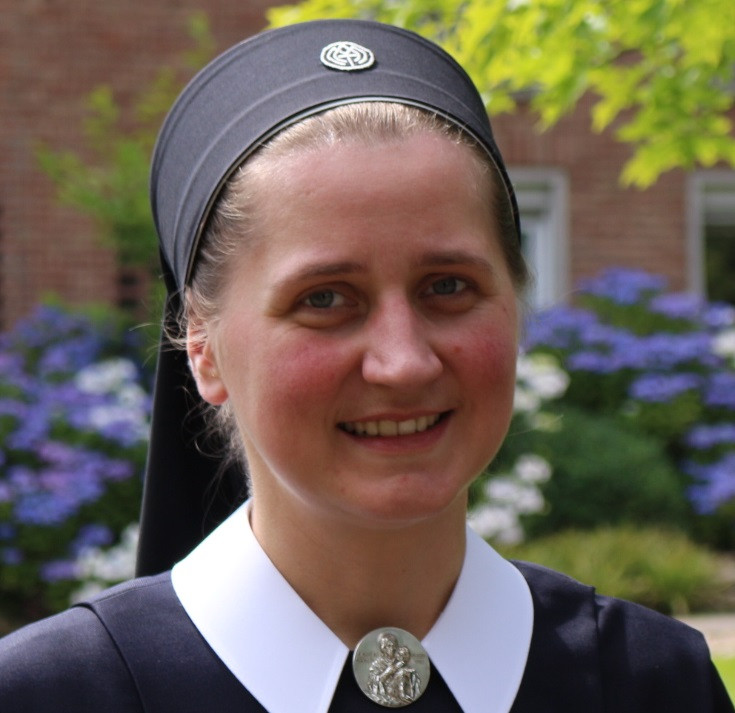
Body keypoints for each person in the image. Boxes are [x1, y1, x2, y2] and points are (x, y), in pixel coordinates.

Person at [0, 18, 732, 713]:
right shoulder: (50, 695)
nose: (403, 363)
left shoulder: (653, 684)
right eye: (324, 299)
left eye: (447, 286)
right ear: (202, 346)